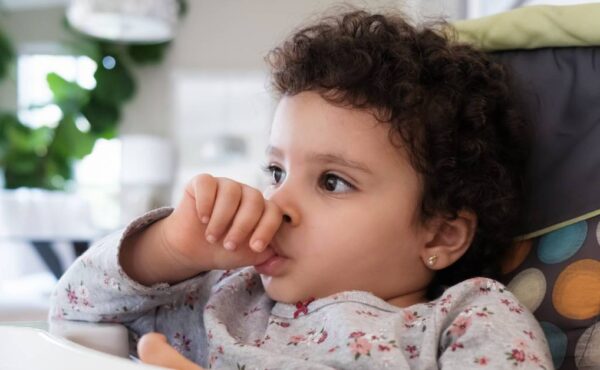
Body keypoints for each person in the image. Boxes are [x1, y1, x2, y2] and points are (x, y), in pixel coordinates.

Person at [50, 9, 553, 370]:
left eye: (333, 181)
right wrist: (169, 248)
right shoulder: (227, 298)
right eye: (275, 172)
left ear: (440, 235)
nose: (277, 204)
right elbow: (76, 313)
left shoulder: (463, 320)